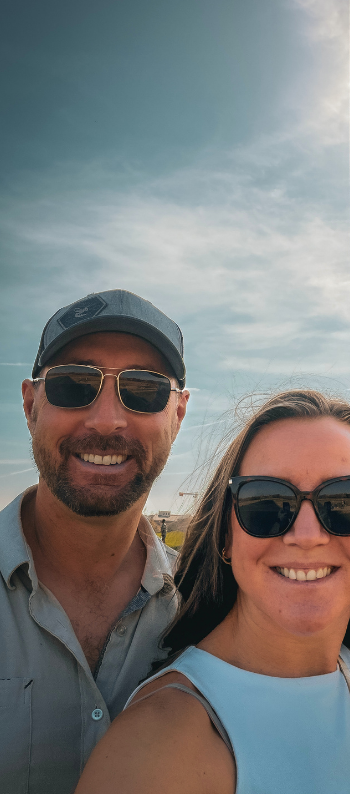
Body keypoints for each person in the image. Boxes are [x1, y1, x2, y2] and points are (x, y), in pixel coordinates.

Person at [75, 391, 350, 794]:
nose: (307, 536)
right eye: (266, 502)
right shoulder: (156, 749)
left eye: (346, 500)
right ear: (225, 534)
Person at [0, 290, 190, 794]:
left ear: (178, 414)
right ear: (30, 404)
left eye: (145, 391)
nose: (107, 420)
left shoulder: (211, 604)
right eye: (73, 385)